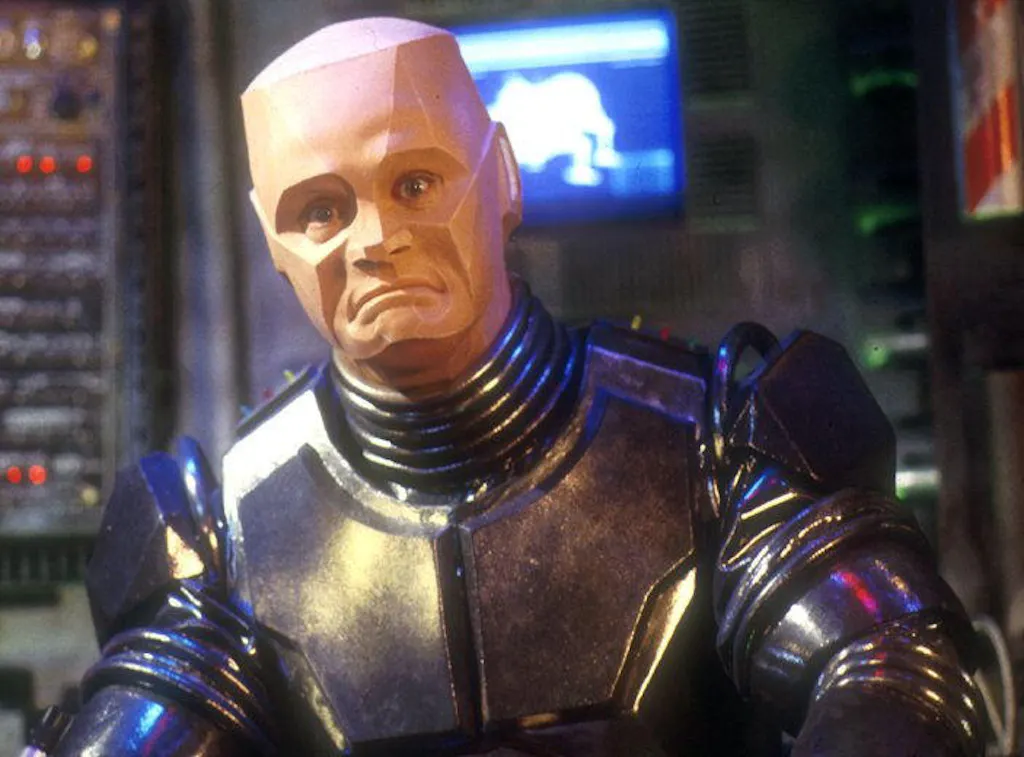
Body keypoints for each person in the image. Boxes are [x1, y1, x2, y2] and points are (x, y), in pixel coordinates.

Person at [34, 17, 983, 757]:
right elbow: (152, 714)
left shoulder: (715, 433)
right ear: (272, 246)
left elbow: (890, 665)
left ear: (503, 178)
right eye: (319, 210)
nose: (374, 241)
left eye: (415, 183)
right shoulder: (225, 530)